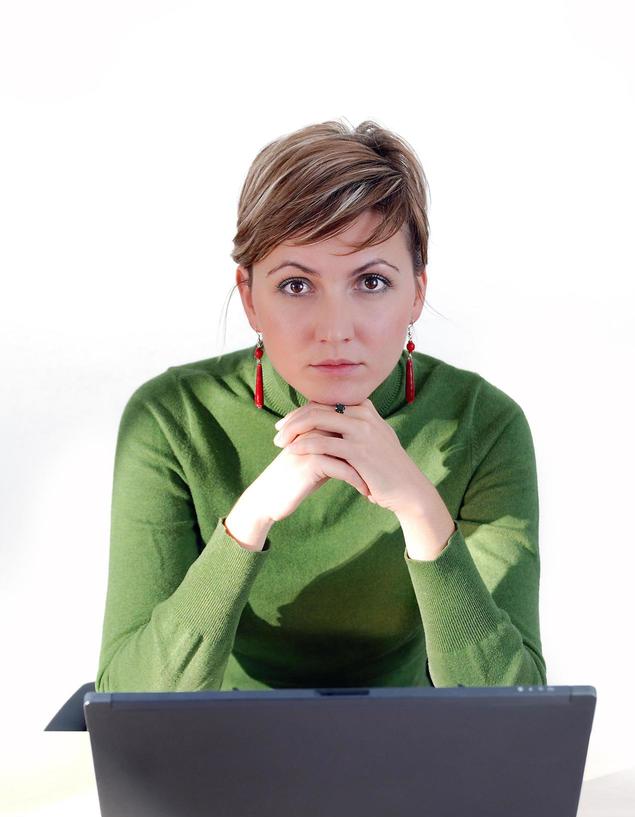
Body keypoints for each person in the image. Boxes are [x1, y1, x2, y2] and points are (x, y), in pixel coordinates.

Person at [95, 119, 547, 693]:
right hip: (224, 757)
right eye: (296, 285)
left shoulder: (482, 424)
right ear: (249, 297)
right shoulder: (172, 418)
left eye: (373, 282)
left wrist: (420, 509)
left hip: (413, 757)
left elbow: (516, 711)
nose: (335, 330)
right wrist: (247, 522)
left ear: (418, 292)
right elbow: (127, 701)